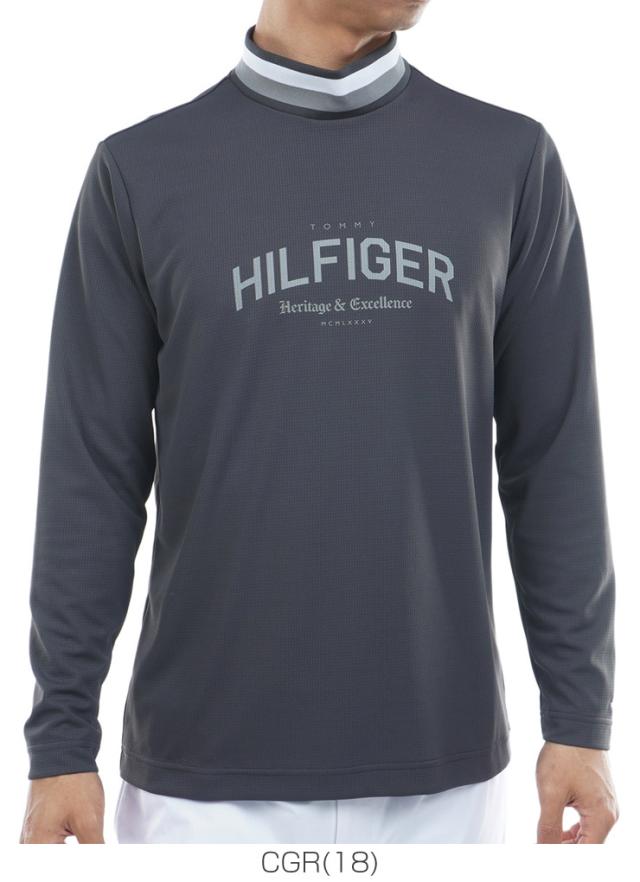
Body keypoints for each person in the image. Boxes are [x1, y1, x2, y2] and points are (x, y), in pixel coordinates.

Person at [20, 0, 619, 845]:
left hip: (443, 786)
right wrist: (60, 741)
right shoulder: (141, 170)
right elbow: (92, 474)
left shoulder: (509, 160)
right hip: (204, 789)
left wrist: (581, 719)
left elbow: (554, 457)